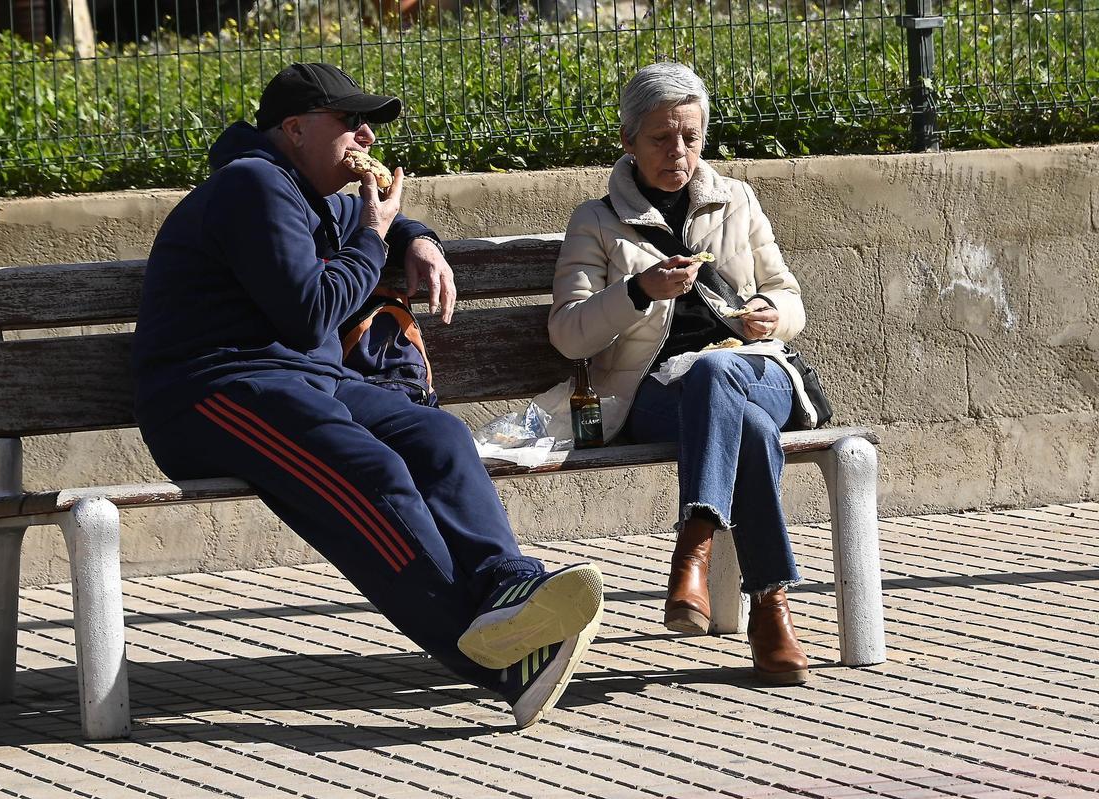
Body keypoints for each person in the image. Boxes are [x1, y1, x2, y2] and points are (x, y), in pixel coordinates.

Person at [132, 62, 604, 727]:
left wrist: (420, 240)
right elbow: (309, 310)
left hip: (300, 384)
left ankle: (506, 585)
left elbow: (364, 215)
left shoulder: (306, 188)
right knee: (370, 474)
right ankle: (500, 659)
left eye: (370, 125)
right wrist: (379, 237)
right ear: (294, 130)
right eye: (350, 123)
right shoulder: (252, 186)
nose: (367, 139)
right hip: (212, 393)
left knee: (435, 436)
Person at [547, 62, 810, 685]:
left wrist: (771, 316)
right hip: (657, 391)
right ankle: (770, 606)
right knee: (740, 420)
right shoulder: (597, 220)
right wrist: (636, 290)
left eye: (691, 136)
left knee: (721, 370)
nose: (680, 151)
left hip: (758, 369)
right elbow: (568, 333)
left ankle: (693, 543)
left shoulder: (736, 199)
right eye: (662, 138)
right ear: (628, 141)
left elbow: (789, 296)